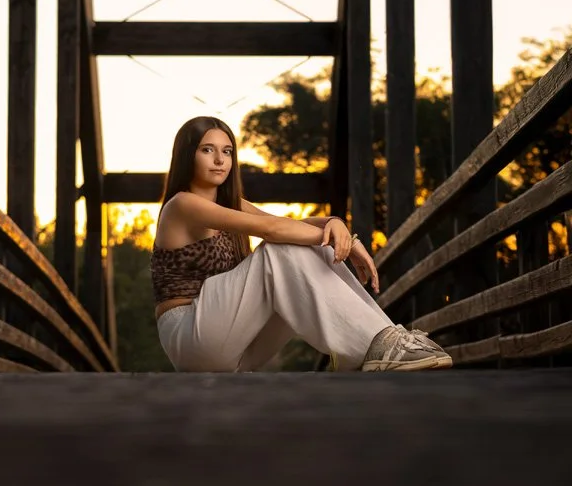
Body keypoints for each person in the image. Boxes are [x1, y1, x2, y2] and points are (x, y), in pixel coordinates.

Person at [151, 115, 453, 374]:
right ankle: (381, 346)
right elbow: (272, 230)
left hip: (233, 346)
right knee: (279, 251)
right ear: (187, 155)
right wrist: (338, 238)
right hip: (190, 335)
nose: (220, 160)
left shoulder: (230, 203)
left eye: (227, 151)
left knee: (308, 246)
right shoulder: (182, 205)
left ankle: (377, 346)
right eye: (208, 150)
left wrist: (336, 225)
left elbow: (285, 224)